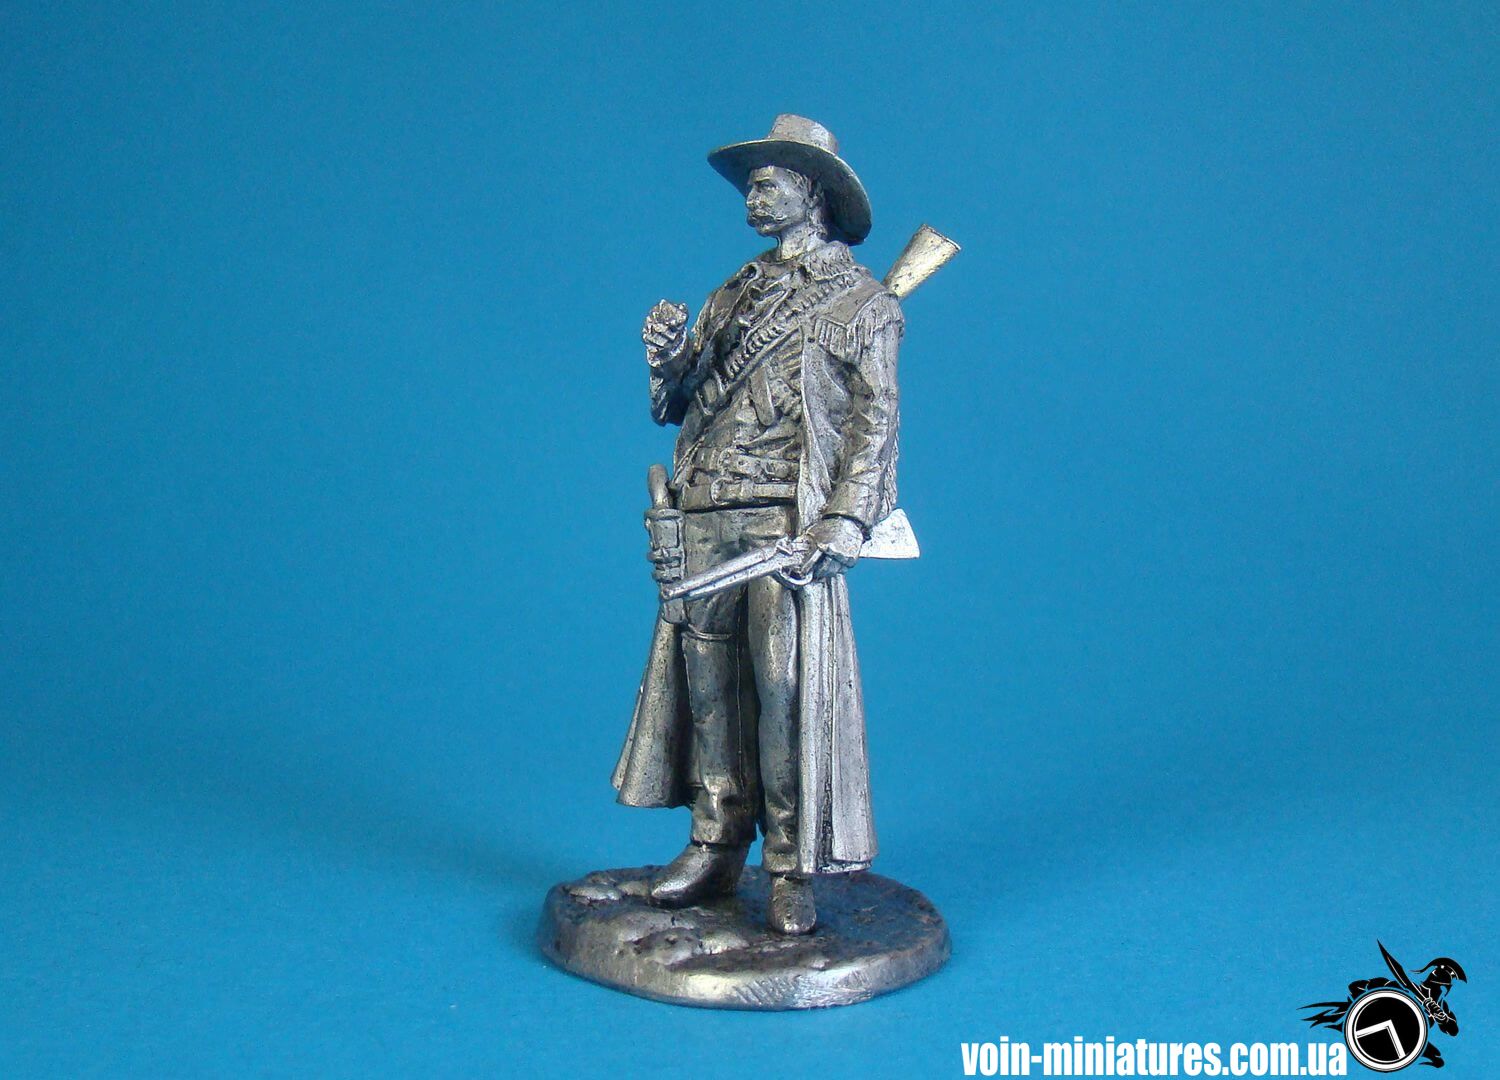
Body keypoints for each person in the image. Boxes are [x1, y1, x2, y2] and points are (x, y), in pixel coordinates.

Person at [612, 115, 904, 935]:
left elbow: (875, 424)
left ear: (811, 192)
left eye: (769, 182)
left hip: (785, 522)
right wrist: (667, 356)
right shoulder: (731, 295)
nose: (754, 194)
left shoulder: (865, 304)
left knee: (785, 696)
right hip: (707, 509)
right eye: (751, 184)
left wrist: (845, 520)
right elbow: (679, 405)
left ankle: (787, 867)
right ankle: (714, 843)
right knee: (710, 694)